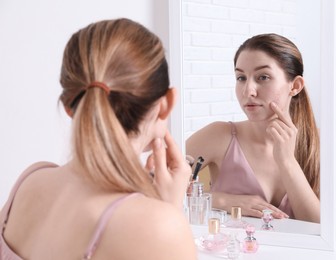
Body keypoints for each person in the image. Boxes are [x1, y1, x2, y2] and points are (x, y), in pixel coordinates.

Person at [0, 18, 197, 259]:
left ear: (69, 107)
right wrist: (168, 211)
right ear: (166, 104)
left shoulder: (29, 181)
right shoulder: (158, 227)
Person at [186, 33, 320, 223]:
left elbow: (320, 229)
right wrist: (221, 200)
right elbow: (149, 190)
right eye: (241, 77)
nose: (248, 91)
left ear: (295, 86)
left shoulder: (318, 144)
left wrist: (287, 161)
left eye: (263, 77)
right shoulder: (218, 136)